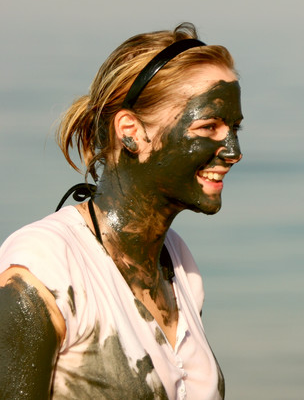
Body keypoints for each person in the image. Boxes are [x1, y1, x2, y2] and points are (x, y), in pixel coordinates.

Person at [0, 23, 242, 399]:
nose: (233, 151)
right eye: (209, 126)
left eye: (234, 129)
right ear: (131, 131)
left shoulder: (179, 268)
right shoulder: (46, 270)